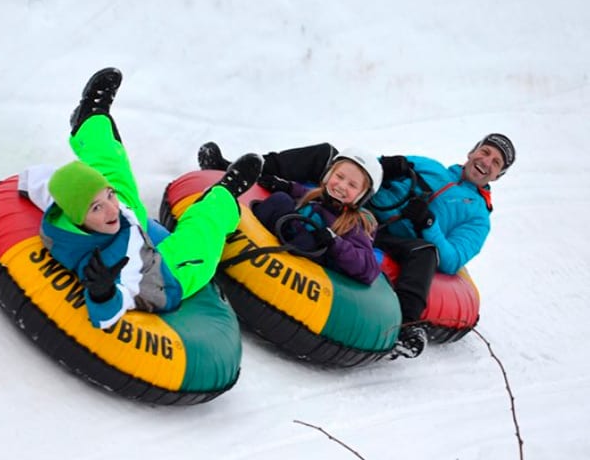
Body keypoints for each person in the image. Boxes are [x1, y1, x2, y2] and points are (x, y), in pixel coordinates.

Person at [197, 133, 516, 358]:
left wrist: (428, 226)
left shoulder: (477, 217)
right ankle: (239, 172)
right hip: (359, 205)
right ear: (472, 151)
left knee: (426, 253)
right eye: (485, 152)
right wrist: (384, 167)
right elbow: (362, 171)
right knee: (327, 154)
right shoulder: (428, 165)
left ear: (499, 175)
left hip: (396, 237)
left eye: (496, 161)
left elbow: (452, 259)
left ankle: (402, 325)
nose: (486, 161)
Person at [33, 68, 263, 329]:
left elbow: (45, 185)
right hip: (159, 274)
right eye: (98, 207)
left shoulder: (85, 212)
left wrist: (103, 200)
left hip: (129, 224)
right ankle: (224, 195)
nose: (111, 208)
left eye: (108, 199)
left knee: (112, 172)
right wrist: (102, 293)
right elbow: (105, 316)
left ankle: (90, 121)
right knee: (202, 238)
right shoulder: (104, 265)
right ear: (80, 218)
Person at [250, 148, 383, 285]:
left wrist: (335, 242)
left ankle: (264, 276)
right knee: (280, 199)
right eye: (339, 176)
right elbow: (303, 192)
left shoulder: (354, 224)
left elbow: (369, 268)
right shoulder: (318, 196)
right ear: (328, 175)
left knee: (307, 240)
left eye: (352, 185)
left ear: (362, 195)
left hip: (302, 263)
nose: (342, 185)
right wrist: (286, 186)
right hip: (288, 233)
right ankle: (241, 235)